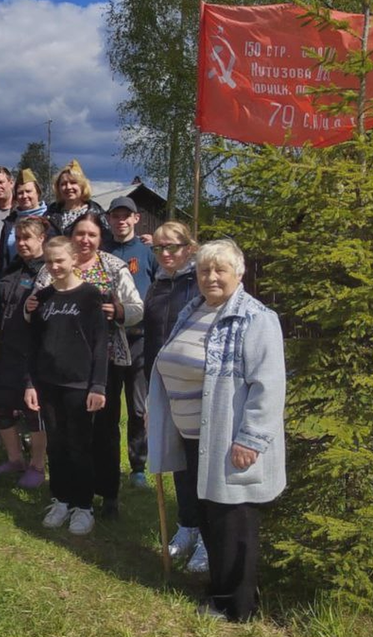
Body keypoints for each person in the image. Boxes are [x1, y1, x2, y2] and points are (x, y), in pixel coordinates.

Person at [147, 239, 285, 622]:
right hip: (194, 436)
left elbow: (268, 386)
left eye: (220, 270)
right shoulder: (194, 310)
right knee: (209, 515)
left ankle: (238, 607)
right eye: (205, 269)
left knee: (233, 523)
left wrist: (251, 439)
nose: (211, 277)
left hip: (230, 439)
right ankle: (219, 590)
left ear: (238, 274)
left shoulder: (255, 318)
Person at [24, 236, 110, 536]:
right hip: (48, 383)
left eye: (60, 260)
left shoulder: (90, 296)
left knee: (79, 446)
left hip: (80, 385)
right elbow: (33, 345)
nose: (54, 266)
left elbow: (101, 344)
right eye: (49, 261)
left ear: (74, 259)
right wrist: (30, 384)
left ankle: (83, 506)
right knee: (56, 445)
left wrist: (98, 385)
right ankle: (60, 499)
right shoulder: (43, 297)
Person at [67, 213, 143, 518]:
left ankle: (109, 493)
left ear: (100, 239)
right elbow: (39, 299)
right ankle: (75, 492)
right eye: (80, 234)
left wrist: (120, 310)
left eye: (92, 235)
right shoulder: (59, 264)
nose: (85, 240)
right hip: (66, 363)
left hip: (106, 361)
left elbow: (137, 308)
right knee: (72, 430)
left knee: (106, 430)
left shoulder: (112, 267)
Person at [141, 221, 206, 572]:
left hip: (197, 389)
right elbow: (151, 341)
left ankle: (208, 537)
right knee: (176, 457)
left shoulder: (200, 284)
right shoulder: (156, 287)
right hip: (164, 387)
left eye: (173, 247)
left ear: (189, 247)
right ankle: (188, 525)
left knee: (200, 463)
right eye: (159, 248)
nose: (166, 254)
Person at [0, 216, 50, 489]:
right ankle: (15, 459)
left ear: (41, 240)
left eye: (28, 238)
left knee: (33, 411)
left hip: (32, 352)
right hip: (4, 347)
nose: (22, 243)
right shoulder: (12, 269)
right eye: (18, 239)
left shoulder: (47, 272)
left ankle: (38, 465)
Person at [103, 196, 159, 489]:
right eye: (116, 216)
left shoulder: (147, 253)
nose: (121, 221)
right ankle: (107, 461)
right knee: (108, 407)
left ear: (136, 219)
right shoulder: (102, 250)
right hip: (109, 341)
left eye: (127, 216)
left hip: (139, 341)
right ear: (109, 219)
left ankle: (138, 466)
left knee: (138, 408)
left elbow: (160, 290)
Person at [47, 160, 109, 238]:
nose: (68, 187)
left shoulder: (97, 213)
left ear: (82, 186)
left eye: (73, 182)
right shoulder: (50, 214)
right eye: (63, 184)